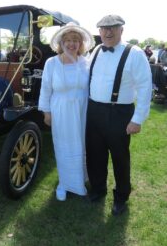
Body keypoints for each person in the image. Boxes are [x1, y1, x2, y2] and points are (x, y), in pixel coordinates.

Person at [86, 15, 152, 215]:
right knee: (94, 154)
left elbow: (145, 87)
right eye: (104, 29)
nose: (108, 32)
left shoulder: (135, 53)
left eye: (113, 28)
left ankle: (121, 197)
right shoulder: (96, 50)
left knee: (120, 158)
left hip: (119, 113)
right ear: (99, 32)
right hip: (94, 110)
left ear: (122, 30)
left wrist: (137, 119)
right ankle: (98, 189)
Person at [38, 22, 95, 201]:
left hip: (82, 110)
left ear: (81, 43)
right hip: (61, 110)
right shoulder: (51, 63)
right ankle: (65, 183)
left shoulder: (86, 62)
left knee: (83, 145)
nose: (72, 44)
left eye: (76, 40)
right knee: (64, 146)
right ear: (61, 42)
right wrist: (46, 112)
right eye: (68, 40)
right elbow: (46, 88)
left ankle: (81, 179)